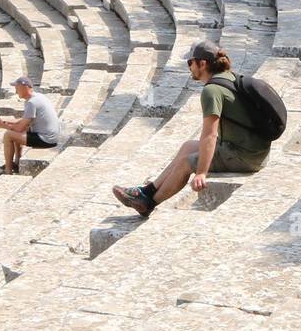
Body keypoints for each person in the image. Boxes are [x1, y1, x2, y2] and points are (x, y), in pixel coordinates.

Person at [112, 41, 271, 217]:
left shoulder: (212, 91)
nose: (189, 67)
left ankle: (149, 202)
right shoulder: (229, 77)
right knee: (189, 146)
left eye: (191, 62)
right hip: (255, 150)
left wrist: (201, 172)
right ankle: (147, 191)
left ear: (202, 64)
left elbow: (210, 135)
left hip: (245, 156)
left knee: (187, 162)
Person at [0, 75, 60, 176]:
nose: (15, 91)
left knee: (8, 135)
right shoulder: (38, 97)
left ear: (25, 87)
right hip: (51, 136)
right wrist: (6, 121)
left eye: (17, 88)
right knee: (15, 132)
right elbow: (25, 120)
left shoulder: (32, 103)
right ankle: (17, 163)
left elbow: (20, 128)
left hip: (46, 139)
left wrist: (3, 126)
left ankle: (8, 170)